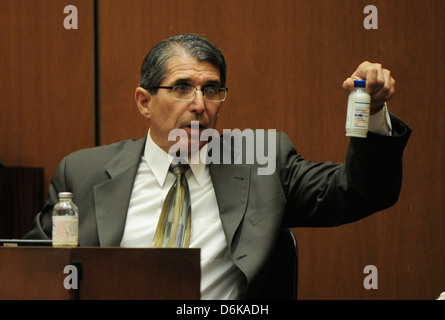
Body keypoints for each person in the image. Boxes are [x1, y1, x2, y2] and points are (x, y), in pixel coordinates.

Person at [24, 33, 411, 299]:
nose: (199, 104)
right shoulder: (83, 172)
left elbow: (361, 190)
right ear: (145, 101)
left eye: (211, 90)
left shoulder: (262, 163)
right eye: (181, 88)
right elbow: (30, 273)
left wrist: (372, 112)